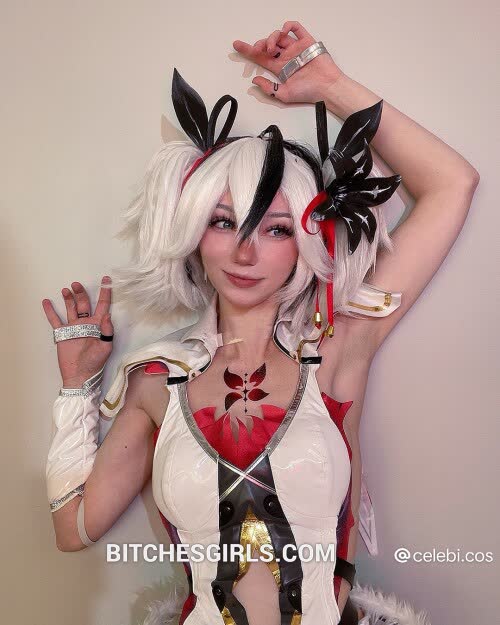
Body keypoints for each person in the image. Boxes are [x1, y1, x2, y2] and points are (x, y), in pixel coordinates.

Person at [42, 20, 480, 625]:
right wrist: (77, 390)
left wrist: (330, 86)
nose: (245, 252)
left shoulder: (336, 348)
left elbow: (453, 184)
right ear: (194, 233)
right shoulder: (155, 382)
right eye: (224, 222)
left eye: (276, 229)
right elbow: (73, 529)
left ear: (305, 242)